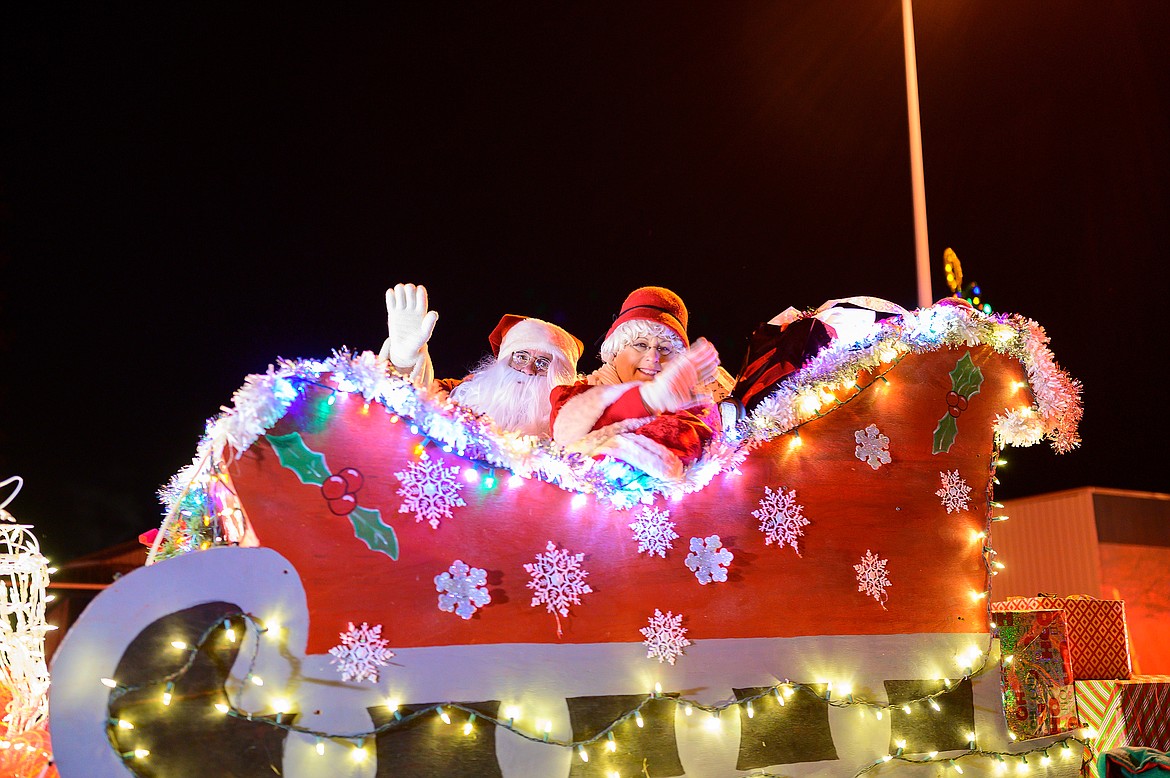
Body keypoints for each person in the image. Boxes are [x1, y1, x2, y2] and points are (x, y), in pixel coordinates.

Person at [549, 286, 722, 481]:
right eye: (641, 345)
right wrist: (649, 399)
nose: (653, 357)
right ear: (615, 351)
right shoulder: (572, 394)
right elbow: (566, 439)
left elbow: (679, 450)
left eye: (665, 348)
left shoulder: (697, 409)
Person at [378, 283, 583, 437]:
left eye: (543, 363)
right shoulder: (459, 394)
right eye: (521, 356)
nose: (528, 369)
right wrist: (404, 362)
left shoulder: (576, 426)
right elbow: (413, 406)